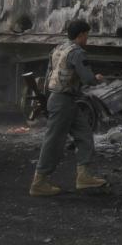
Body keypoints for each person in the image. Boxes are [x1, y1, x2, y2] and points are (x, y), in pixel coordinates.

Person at [30, 19, 108, 197]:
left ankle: (84, 177)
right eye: (87, 35)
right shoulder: (77, 52)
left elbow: (49, 73)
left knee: (84, 134)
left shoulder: (59, 48)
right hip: (63, 101)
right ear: (81, 35)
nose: (87, 38)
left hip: (62, 99)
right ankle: (39, 182)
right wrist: (97, 78)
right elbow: (87, 78)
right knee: (54, 141)